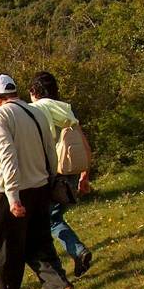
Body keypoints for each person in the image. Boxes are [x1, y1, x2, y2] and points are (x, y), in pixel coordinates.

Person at [0, 74, 75, 289]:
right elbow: (50, 150)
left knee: (3, 250)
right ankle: (60, 286)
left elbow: (7, 155)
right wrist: (50, 179)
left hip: (10, 192)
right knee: (39, 243)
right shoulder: (36, 112)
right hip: (40, 186)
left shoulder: (0, 115)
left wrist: (13, 197)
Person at [27, 72, 95, 277]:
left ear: (33, 91)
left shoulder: (34, 110)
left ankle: (75, 254)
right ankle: (75, 256)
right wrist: (85, 174)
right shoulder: (65, 108)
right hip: (71, 170)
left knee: (49, 220)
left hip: (50, 174)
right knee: (53, 217)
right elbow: (83, 143)